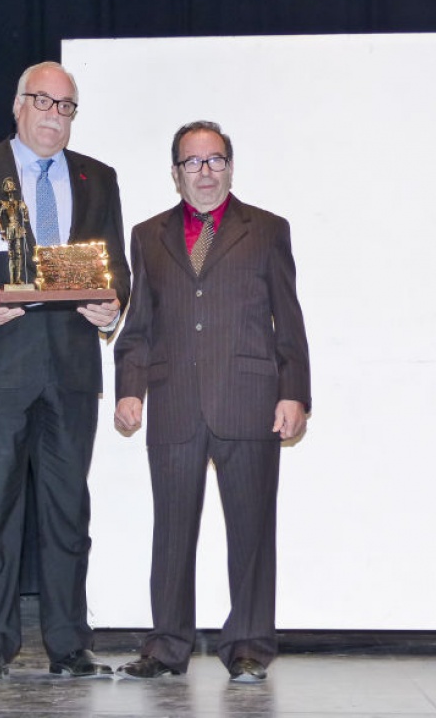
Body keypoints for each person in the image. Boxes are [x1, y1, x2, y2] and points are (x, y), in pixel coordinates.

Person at [0, 61, 131, 681]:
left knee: (68, 514)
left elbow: (116, 270)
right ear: (17, 106)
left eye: (66, 107)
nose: (54, 116)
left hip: (70, 371)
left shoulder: (98, 178)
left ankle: (68, 645)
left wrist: (112, 303)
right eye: (43, 102)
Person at [111, 121, 311, 683]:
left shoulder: (268, 230)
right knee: (171, 530)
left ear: (230, 166)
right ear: (174, 173)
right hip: (174, 401)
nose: (205, 172)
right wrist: (131, 386)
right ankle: (167, 646)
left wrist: (294, 392)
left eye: (215, 160)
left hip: (250, 398)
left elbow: (289, 321)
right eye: (192, 162)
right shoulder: (148, 235)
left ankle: (248, 644)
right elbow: (139, 327)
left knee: (251, 529)